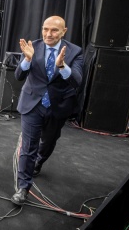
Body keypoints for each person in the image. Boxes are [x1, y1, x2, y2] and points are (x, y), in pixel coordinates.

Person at [11, 16, 83, 206]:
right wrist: (27, 59)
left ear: (63, 31)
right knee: (28, 146)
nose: (48, 34)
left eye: (54, 30)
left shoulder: (75, 52)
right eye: (45, 29)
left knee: (49, 142)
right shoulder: (32, 46)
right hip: (32, 104)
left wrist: (61, 65)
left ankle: (39, 162)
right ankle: (23, 187)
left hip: (58, 106)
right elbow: (19, 75)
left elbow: (77, 81)